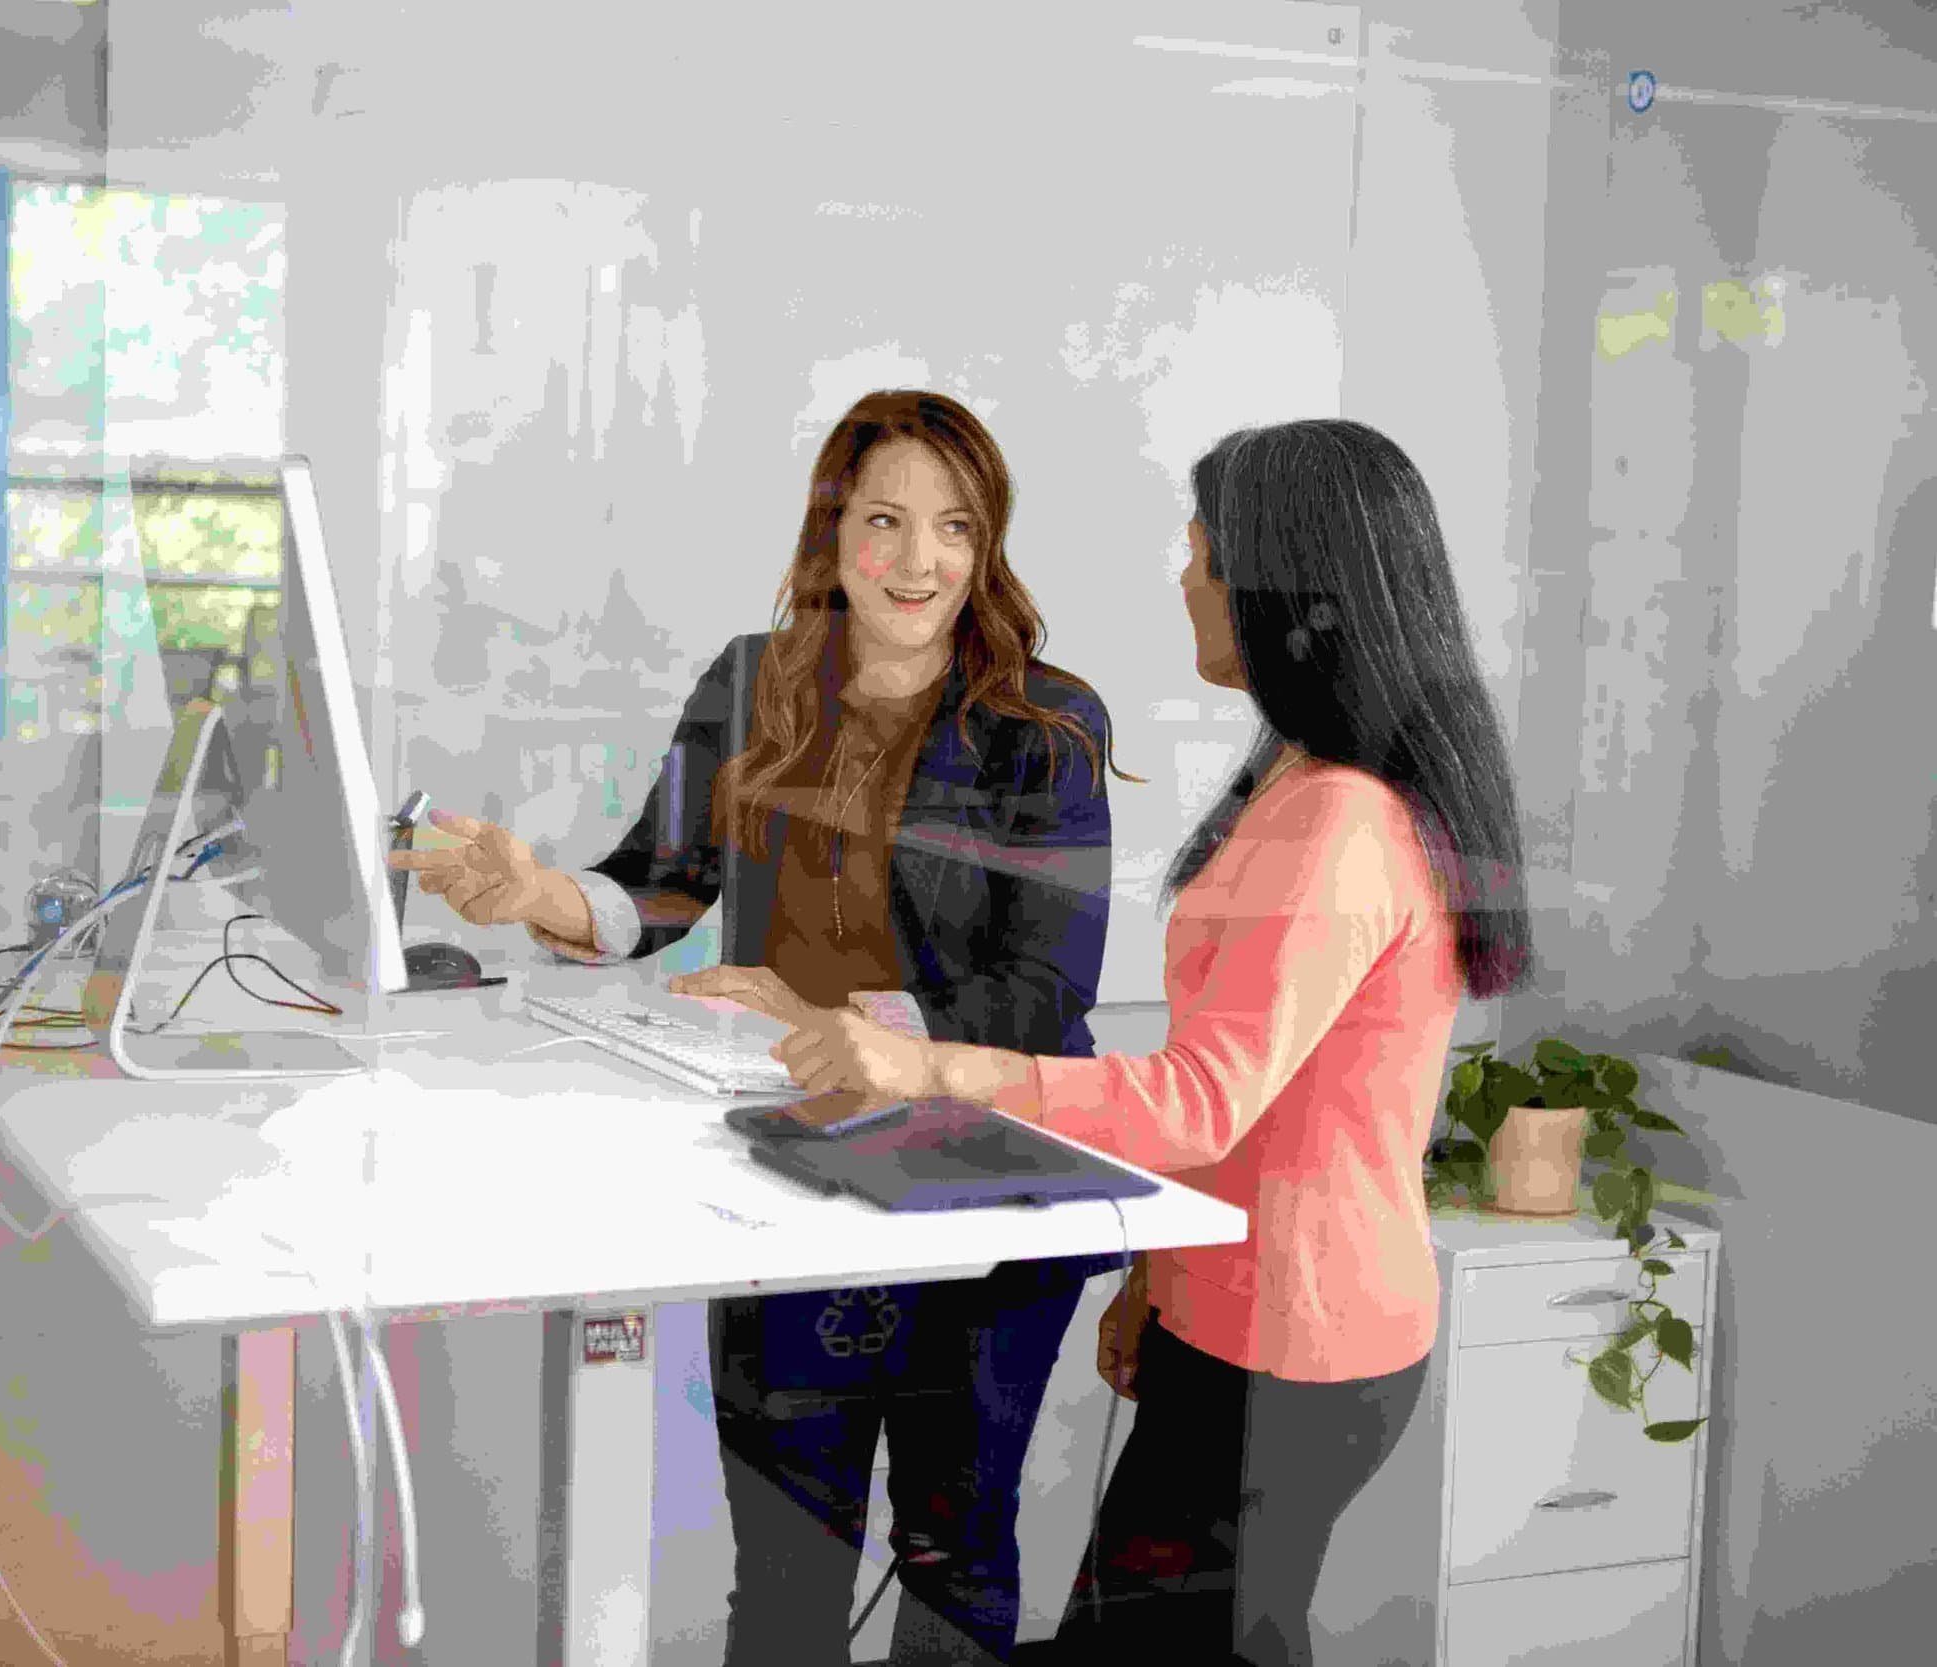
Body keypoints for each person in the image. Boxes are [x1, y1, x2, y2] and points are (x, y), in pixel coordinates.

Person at [769, 418, 1534, 1665]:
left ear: (1295, 589)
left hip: (1295, 1335)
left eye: (1205, 554)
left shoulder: (1340, 813)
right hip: (1243, 1313)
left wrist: (922, 1061)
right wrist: (1156, 1281)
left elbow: (1202, 1097)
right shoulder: (1302, 772)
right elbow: (1260, 1085)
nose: (1186, 577)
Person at [390, 389, 1135, 1664]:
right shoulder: (752, 680)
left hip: (980, 1170)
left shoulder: (1045, 723)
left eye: (954, 527)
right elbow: (663, 882)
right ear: (831, 530)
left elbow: (1043, 989)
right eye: (885, 521)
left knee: (957, 1547)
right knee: (787, 1560)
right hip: (794, 1168)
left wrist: (821, 1010)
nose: (919, 561)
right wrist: (538, 895)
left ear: (989, 541)